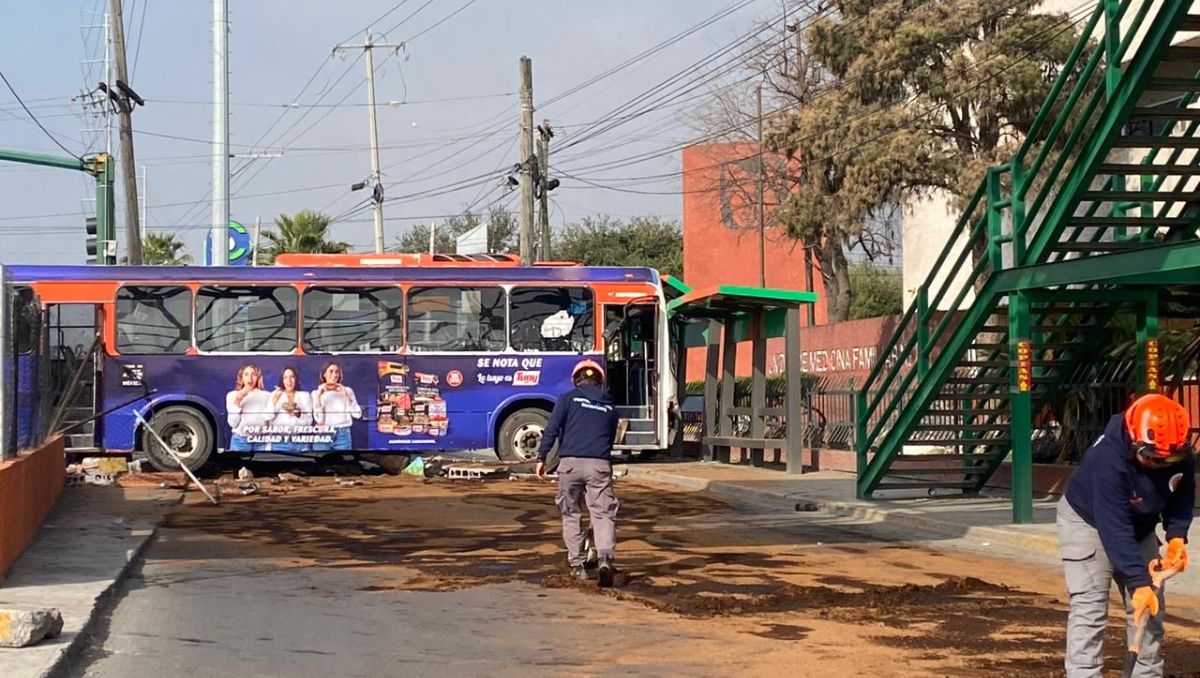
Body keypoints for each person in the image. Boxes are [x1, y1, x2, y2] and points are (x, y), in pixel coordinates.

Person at [1057, 393, 1194, 677]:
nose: (1162, 465)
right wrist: (1138, 580)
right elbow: (1113, 525)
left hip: (1139, 524)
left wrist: (1177, 535)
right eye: (1153, 458)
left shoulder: (1175, 450)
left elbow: (1182, 492)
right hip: (1089, 522)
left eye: (1170, 459)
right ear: (1135, 441)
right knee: (1090, 608)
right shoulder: (1106, 459)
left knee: (1149, 612)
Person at [536, 359, 620, 587]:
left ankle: (578, 566)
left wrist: (542, 458)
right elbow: (611, 436)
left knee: (571, 513)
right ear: (599, 380)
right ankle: (604, 558)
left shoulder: (567, 399)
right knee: (602, 514)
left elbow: (551, 429)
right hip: (599, 465)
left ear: (576, 380)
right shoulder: (609, 404)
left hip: (570, 465)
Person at [312, 361, 361, 451]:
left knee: (342, 463)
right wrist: (319, 396)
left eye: (337, 371)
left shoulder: (348, 390)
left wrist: (346, 396)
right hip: (323, 434)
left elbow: (357, 415)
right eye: (331, 371)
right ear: (324, 374)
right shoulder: (316, 393)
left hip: (342, 434)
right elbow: (319, 420)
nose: (334, 375)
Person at [226, 363, 270, 452]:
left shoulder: (267, 396)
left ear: (258, 377)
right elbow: (232, 424)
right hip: (240, 441)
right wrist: (237, 401)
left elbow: (270, 421)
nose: (250, 378)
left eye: (253, 374)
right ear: (241, 377)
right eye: (246, 374)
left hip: (261, 442)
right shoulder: (232, 395)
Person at [269, 366, 313, 453]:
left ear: (296, 379)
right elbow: (267, 416)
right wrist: (274, 400)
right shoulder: (274, 395)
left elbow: (309, 421)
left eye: (291, 377)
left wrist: (299, 416)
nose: (288, 381)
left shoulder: (305, 396)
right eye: (285, 377)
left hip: (301, 442)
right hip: (280, 442)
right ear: (282, 380)